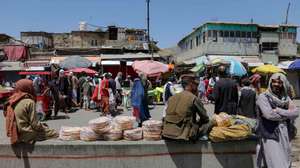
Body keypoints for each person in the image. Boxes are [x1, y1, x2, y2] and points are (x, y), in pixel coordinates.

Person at [256, 73, 299, 168]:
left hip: (285, 134)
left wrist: (279, 110)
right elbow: (269, 115)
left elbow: (296, 113)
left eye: (279, 82)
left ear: (283, 84)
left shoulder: (286, 99)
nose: (276, 84)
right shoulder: (263, 97)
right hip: (271, 134)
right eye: (274, 81)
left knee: (285, 160)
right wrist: (287, 114)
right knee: (275, 162)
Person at [162, 75, 215, 141]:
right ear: (191, 85)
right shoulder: (193, 98)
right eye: (196, 85)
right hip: (183, 134)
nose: (197, 87)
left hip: (166, 132)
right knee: (211, 122)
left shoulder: (172, 97)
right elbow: (205, 118)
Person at [4, 79, 58, 144]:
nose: (33, 88)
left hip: (15, 134)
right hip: (26, 135)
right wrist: (44, 127)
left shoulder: (11, 100)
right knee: (54, 133)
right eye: (32, 86)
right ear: (28, 88)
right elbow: (35, 124)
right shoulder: (29, 102)